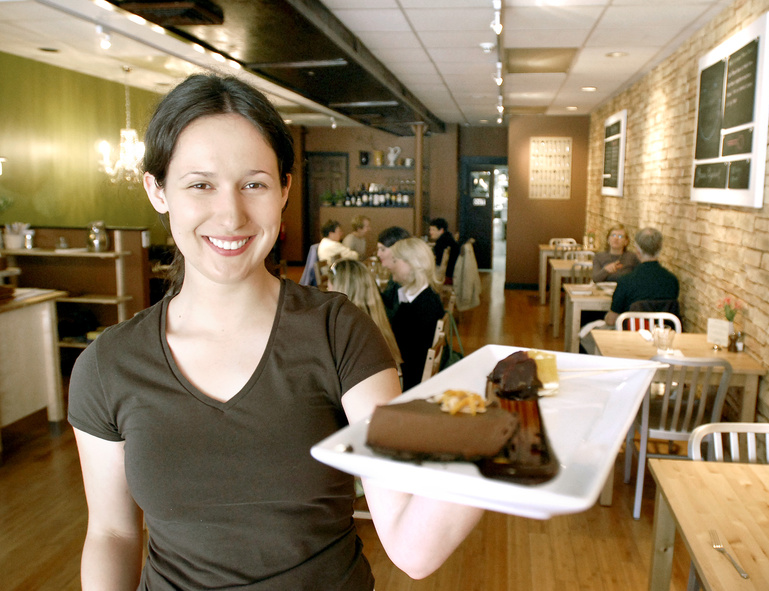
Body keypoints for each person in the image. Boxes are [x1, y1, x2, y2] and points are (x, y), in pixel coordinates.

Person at [67, 73, 482, 591]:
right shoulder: (108, 366)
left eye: (254, 184)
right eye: (200, 184)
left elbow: (409, 544)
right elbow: (111, 535)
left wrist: (497, 436)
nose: (231, 213)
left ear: (284, 189)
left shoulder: (339, 334)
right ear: (157, 190)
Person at [388, 237, 445, 391]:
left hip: (410, 382)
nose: (390, 266)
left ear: (411, 265)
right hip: (411, 372)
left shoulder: (421, 308)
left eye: (395, 261)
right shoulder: (424, 297)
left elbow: (402, 351)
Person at [329, 258, 403, 375]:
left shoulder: (345, 333)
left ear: (339, 289)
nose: (328, 291)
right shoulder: (380, 320)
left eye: (329, 287)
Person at [604, 227, 680, 326]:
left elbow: (611, 320)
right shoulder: (672, 281)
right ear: (660, 248)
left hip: (631, 337)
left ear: (637, 250)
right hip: (661, 336)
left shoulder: (626, 281)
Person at [376, 225, 410, 320]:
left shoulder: (406, 279)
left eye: (382, 249)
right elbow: (388, 301)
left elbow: (396, 318)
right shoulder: (396, 274)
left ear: (398, 250)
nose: (378, 254)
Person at [428, 218, 459, 284]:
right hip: (452, 273)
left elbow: (438, 262)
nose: (430, 232)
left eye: (433, 230)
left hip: (446, 275)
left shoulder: (442, 243)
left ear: (441, 230)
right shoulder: (448, 239)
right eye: (430, 229)